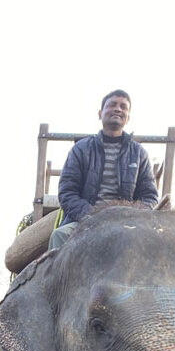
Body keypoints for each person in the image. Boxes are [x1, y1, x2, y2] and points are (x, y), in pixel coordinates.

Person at [48, 90, 158, 250]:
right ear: (100, 113)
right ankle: (57, 276)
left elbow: (150, 196)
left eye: (123, 107)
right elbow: (67, 192)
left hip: (128, 223)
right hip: (85, 221)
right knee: (59, 235)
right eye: (112, 105)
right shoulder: (81, 149)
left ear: (128, 117)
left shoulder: (139, 153)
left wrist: (132, 216)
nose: (118, 109)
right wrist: (89, 214)